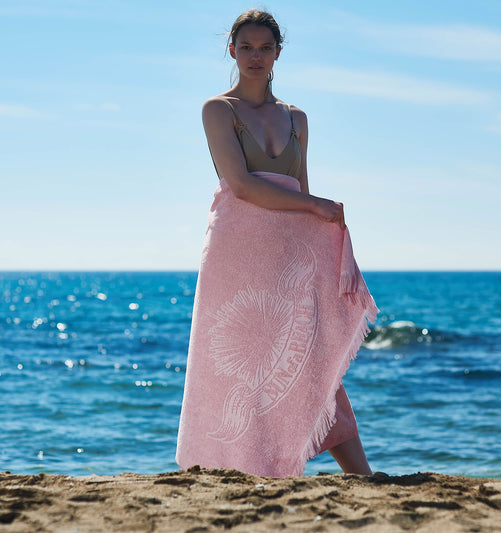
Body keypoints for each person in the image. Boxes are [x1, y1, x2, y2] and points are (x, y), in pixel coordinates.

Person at [176, 9, 379, 478]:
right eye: (246, 47)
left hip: (288, 252)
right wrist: (316, 206)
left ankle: (363, 476)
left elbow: (299, 188)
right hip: (236, 253)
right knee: (238, 365)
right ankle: (236, 466)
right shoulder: (218, 110)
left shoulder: (296, 118)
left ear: (278, 53)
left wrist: (322, 246)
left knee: (310, 361)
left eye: (265, 48)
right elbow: (241, 185)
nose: (256, 56)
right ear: (232, 51)